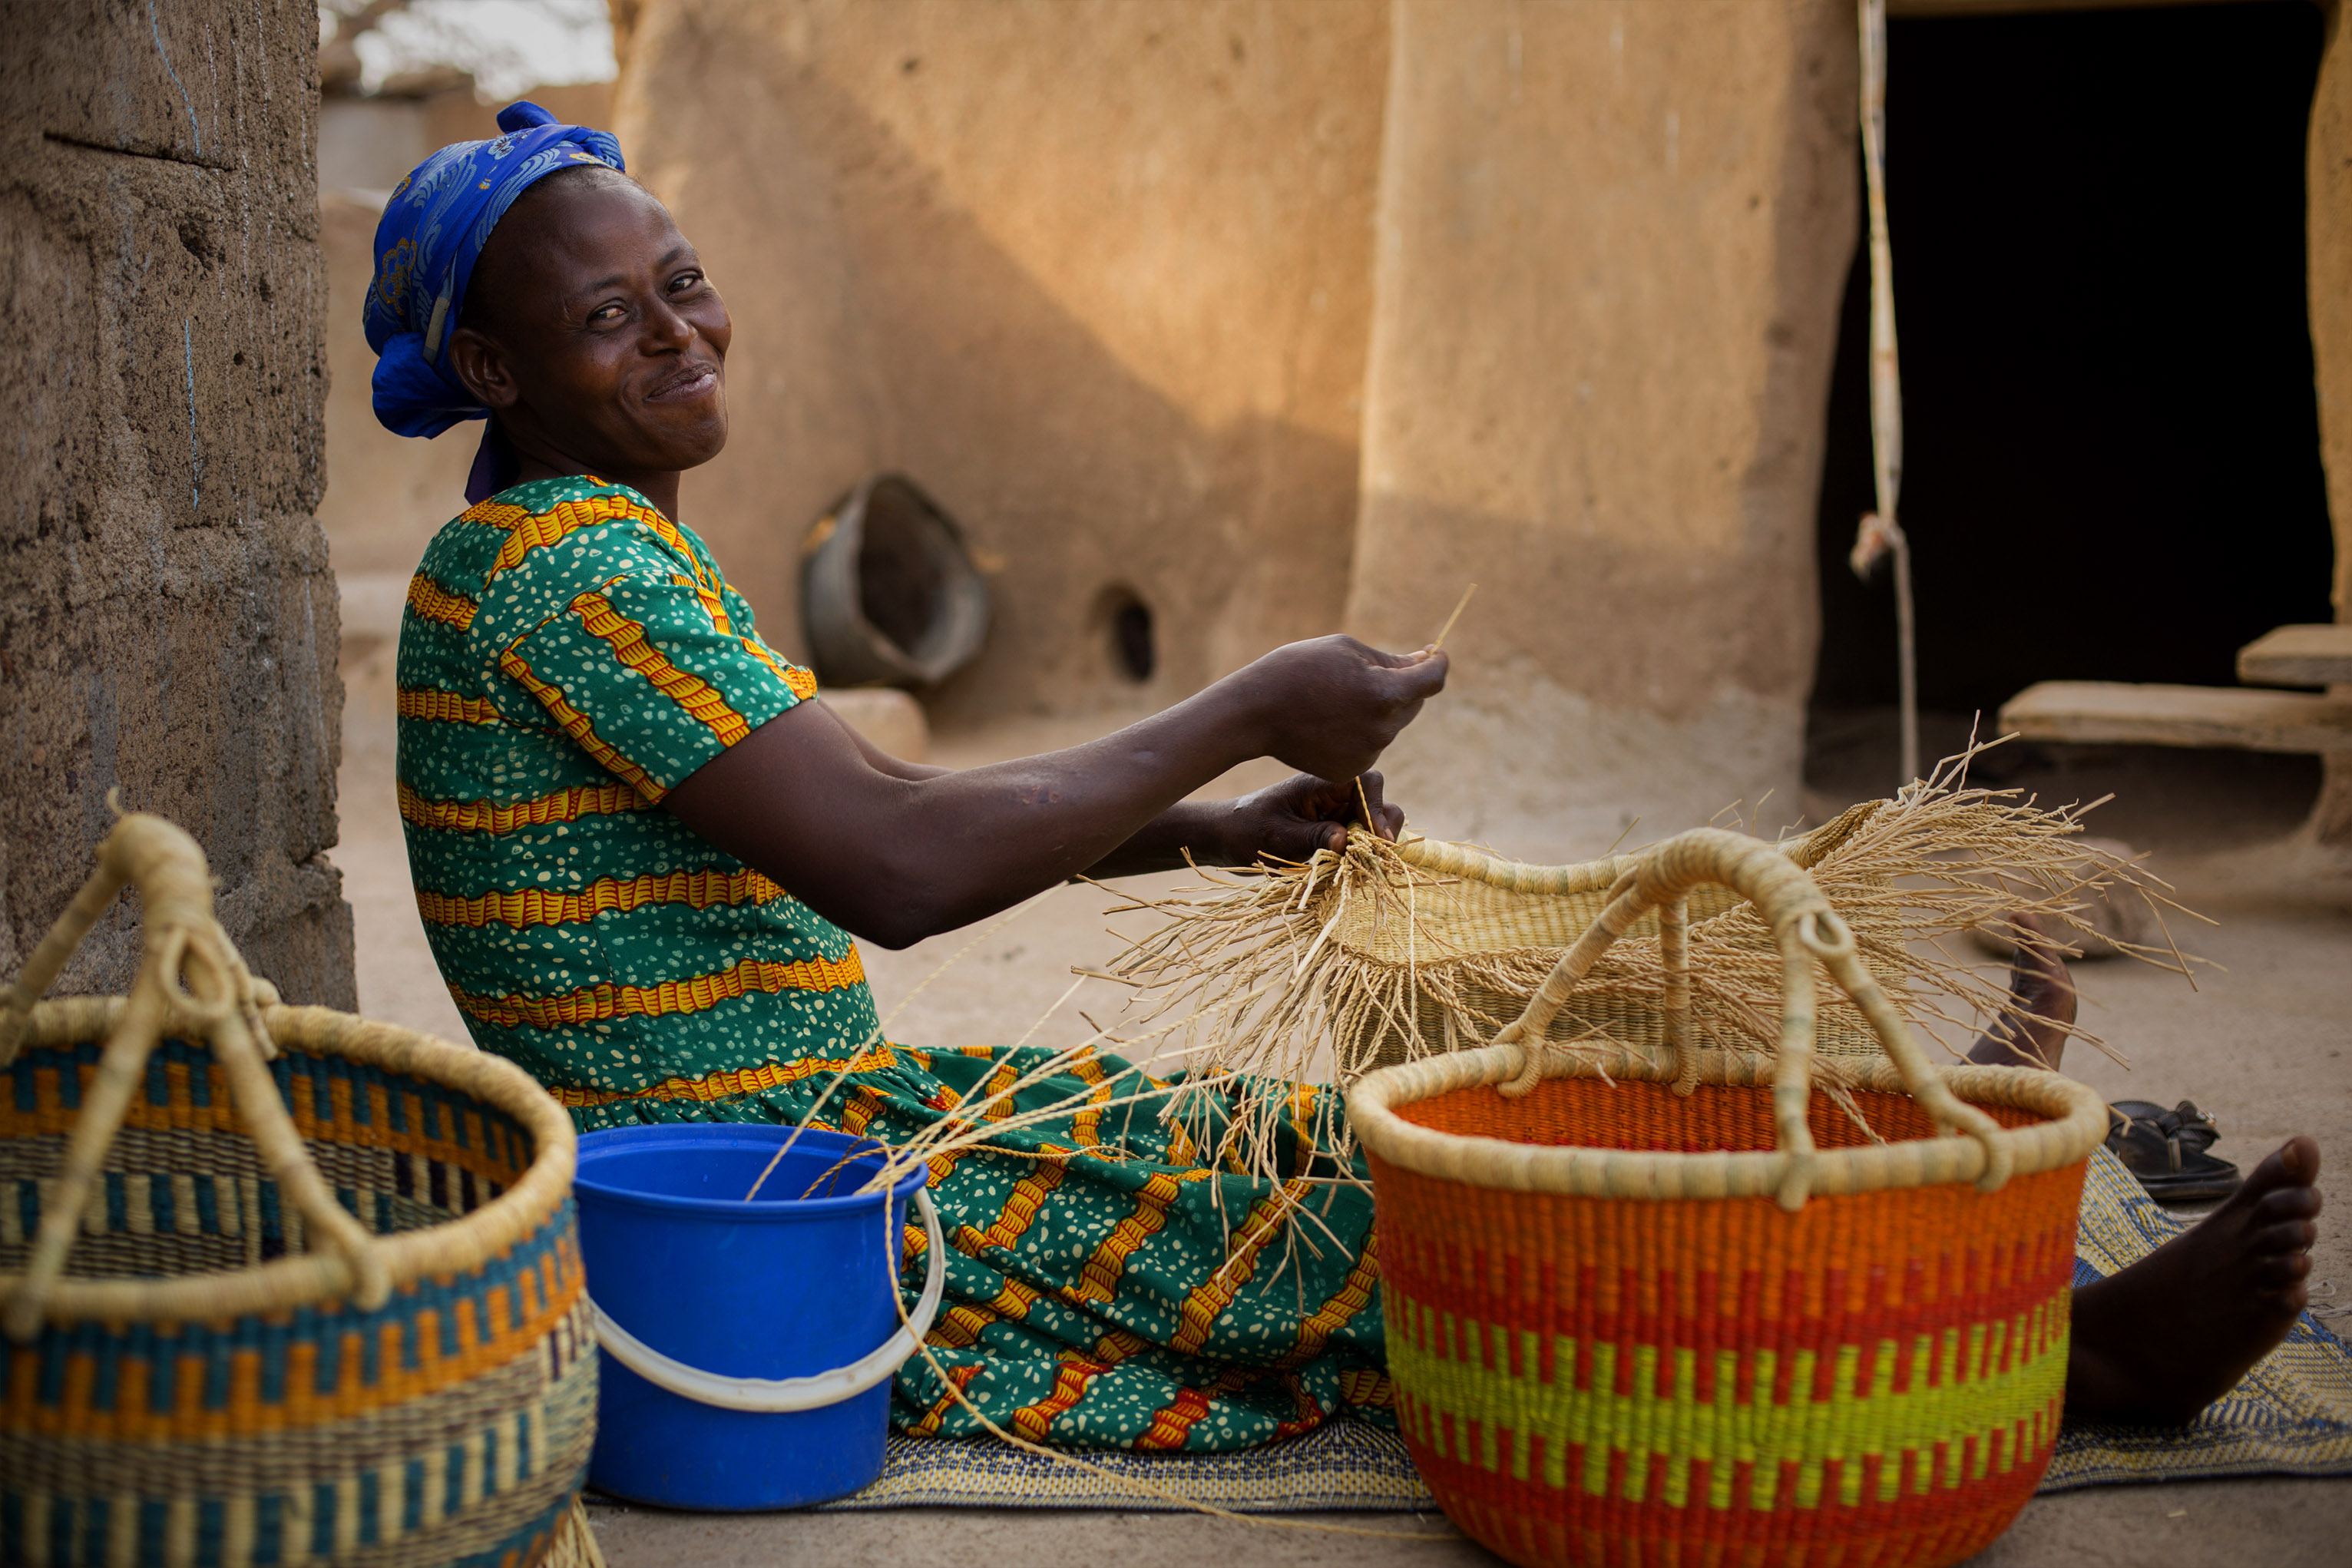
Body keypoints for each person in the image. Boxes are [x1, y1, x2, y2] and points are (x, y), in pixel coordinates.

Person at [368, 104, 2321, 1447]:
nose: (680, 331)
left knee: (1336, 1140)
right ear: (495, 368)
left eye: (682, 278)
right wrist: (1238, 709)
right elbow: (887, 859)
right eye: (606, 316)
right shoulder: (568, 569)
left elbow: (846, 830)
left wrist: (1199, 834)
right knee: (1405, 1242)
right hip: (780, 1207)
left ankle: (1934, 1220)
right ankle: (2033, 1355)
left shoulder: (571, 557)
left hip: (825, 1128)